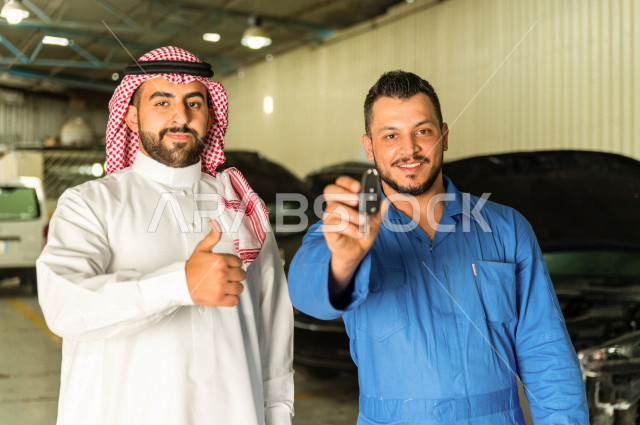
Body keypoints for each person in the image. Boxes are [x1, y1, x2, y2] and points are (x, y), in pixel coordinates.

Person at [288, 71, 588, 425]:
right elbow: (306, 294)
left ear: (444, 136)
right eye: (391, 135)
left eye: (423, 131)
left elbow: (547, 354)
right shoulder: (345, 229)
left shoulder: (507, 229)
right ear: (369, 146)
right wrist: (345, 263)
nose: (409, 149)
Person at [37, 46, 294, 425]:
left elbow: (275, 335)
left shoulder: (240, 206)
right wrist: (180, 285)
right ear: (130, 114)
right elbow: (65, 307)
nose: (181, 116)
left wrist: (279, 417)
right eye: (162, 101)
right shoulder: (89, 204)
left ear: (210, 116)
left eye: (194, 102)